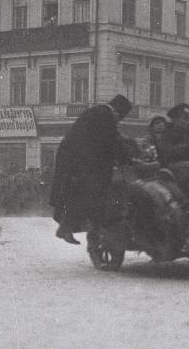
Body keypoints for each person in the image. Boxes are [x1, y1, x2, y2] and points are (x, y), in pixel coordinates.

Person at [49, 95, 132, 245]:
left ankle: (68, 227)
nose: (118, 121)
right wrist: (128, 159)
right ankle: (89, 226)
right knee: (91, 191)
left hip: (75, 159)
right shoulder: (105, 115)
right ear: (117, 111)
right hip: (79, 161)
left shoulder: (98, 112)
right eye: (120, 117)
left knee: (79, 193)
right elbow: (111, 141)